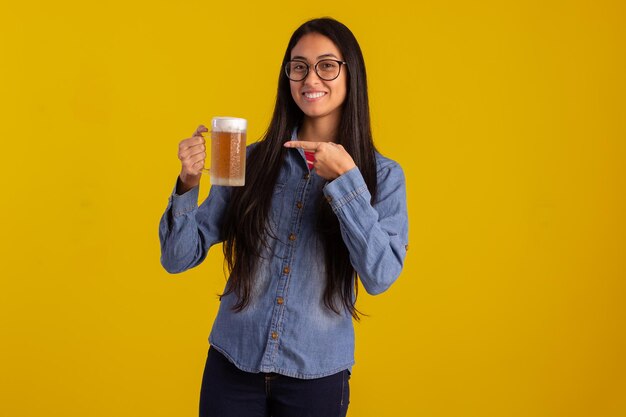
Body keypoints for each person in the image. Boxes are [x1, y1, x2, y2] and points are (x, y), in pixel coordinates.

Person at [159, 17, 409, 417]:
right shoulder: (251, 159)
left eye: (327, 65)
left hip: (317, 377)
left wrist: (346, 183)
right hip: (231, 369)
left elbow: (381, 275)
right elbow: (176, 257)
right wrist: (189, 183)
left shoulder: (382, 175)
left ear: (351, 74)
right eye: (299, 66)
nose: (311, 78)